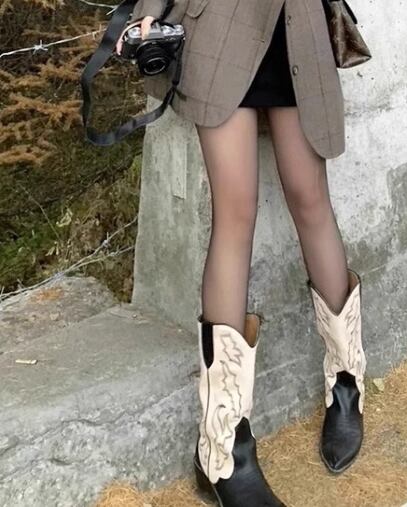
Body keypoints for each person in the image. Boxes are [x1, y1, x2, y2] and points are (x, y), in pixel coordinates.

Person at [117, 1, 367, 505]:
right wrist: (148, 10)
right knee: (234, 215)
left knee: (310, 200)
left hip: (297, 34)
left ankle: (347, 382)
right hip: (220, 32)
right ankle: (224, 447)